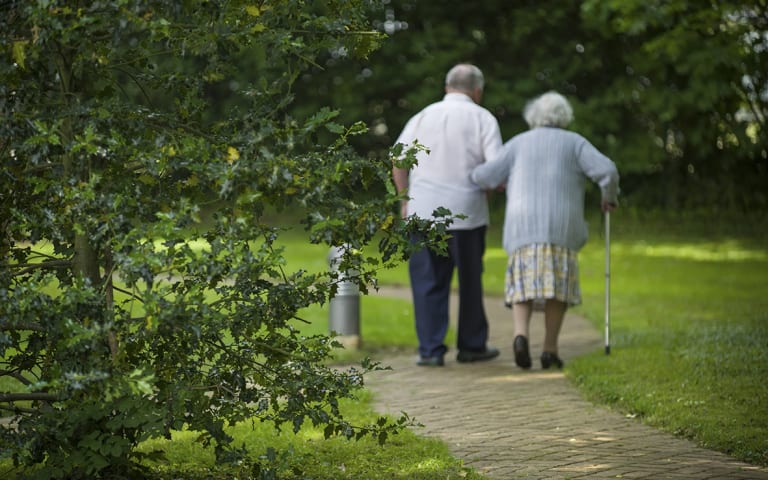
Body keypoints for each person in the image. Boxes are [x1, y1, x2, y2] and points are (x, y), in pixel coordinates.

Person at [470, 91, 619, 370]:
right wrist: (608, 198)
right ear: (565, 117)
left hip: (522, 225)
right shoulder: (575, 143)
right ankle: (550, 349)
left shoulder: (519, 143)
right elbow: (607, 171)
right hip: (560, 228)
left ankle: (520, 336)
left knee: (522, 285)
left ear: (533, 116)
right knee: (557, 289)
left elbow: (486, 176)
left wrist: (471, 172)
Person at [392, 63, 503, 367]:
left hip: (422, 211)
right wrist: (487, 192)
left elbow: (398, 160)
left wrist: (404, 199)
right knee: (470, 281)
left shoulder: (421, 116)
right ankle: (471, 346)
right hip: (466, 213)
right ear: (477, 91)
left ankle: (430, 350)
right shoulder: (483, 118)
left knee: (427, 281)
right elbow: (494, 169)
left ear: (446, 87)